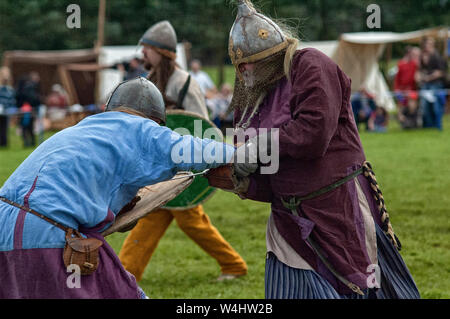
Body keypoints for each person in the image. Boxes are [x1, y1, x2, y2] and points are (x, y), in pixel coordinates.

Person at [208, 0, 420, 299]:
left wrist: (258, 147)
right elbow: (264, 174)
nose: (245, 71)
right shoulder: (250, 99)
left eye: (251, 62)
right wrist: (240, 179)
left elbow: (314, 133)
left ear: (273, 55)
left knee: (362, 289)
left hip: (339, 209)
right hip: (288, 226)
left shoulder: (310, 64)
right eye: (240, 66)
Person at [0, 77, 238, 298]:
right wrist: (241, 155)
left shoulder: (82, 128)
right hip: (48, 231)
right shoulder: (140, 129)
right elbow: (192, 149)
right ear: (154, 120)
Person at [118, 21, 248, 283]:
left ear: (161, 52)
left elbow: (200, 126)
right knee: (156, 218)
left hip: (183, 167)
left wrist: (201, 162)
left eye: (147, 49)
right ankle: (125, 275)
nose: (143, 54)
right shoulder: (149, 81)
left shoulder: (185, 82)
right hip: (159, 167)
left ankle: (233, 265)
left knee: (182, 219)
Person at [416, 37, 448, 130]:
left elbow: (441, 72)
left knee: (436, 106)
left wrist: (428, 78)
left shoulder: (437, 56)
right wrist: (420, 77)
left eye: (430, 44)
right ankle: (428, 126)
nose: (427, 46)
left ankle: (438, 126)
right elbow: (420, 70)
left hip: (436, 84)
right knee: (425, 106)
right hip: (425, 84)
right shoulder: (422, 56)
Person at [0, 66, 16, 147]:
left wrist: (11, 108)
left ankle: (4, 143)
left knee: (4, 127)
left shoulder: (10, 89)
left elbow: (12, 100)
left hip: (6, 111)